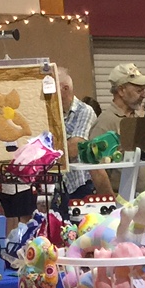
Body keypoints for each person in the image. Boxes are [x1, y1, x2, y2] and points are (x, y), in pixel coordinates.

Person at [95, 62, 145, 194]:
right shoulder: (106, 123)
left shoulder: (136, 119)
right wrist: (112, 201)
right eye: (139, 91)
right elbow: (97, 169)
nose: (144, 95)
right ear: (121, 91)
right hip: (121, 199)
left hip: (143, 198)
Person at [57, 68, 96, 202]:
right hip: (57, 184)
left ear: (65, 88)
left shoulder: (84, 111)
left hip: (80, 185)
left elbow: (74, 149)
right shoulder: (51, 113)